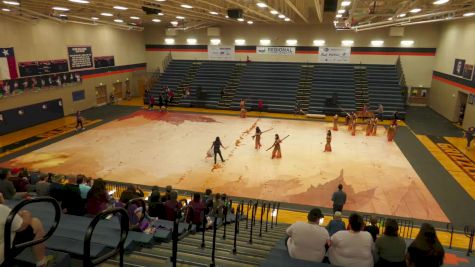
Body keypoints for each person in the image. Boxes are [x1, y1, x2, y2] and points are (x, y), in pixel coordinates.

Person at [0, 193, 53, 267]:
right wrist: (26, 213)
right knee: (35, 222)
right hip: (3, 257)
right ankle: (42, 262)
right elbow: (23, 226)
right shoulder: (2, 209)